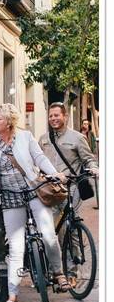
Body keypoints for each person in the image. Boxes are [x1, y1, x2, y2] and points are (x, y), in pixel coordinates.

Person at [0, 103, 70, 302]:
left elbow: (39, 158)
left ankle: (58, 273)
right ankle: (12, 297)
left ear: (9, 122)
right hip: (10, 197)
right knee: (15, 248)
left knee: (49, 234)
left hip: (34, 190)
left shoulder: (25, 137)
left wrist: (53, 174)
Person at [39, 102, 99, 286]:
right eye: (51, 116)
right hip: (48, 189)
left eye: (57, 115)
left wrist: (94, 169)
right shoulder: (43, 139)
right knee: (50, 229)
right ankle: (52, 269)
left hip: (71, 187)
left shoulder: (77, 138)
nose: (54, 119)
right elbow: (38, 160)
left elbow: (88, 159)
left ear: (65, 116)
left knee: (69, 225)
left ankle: (72, 270)